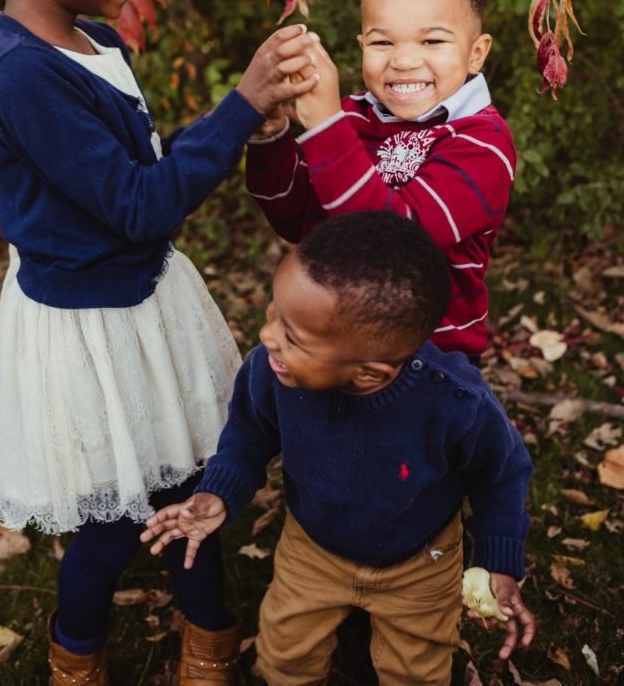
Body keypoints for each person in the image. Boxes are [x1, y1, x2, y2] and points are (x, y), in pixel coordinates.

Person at [0, 0, 321, 686]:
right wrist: (236, 110)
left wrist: (251, 123)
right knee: (113, 524)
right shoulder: (19, 72)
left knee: (192, 488)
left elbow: (138, 181)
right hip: (88, 333)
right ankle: (76, 656)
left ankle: (210, 644)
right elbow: (138, 202)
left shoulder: (98, 40)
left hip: (144, 305)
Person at [141, 210, 535, 686]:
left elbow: (501, 472)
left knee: (416, 670)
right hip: (313, 547)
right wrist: (219, 492)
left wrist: (498, 557)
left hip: (421, 559)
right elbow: (248, 434)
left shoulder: (453, 401)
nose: (267, 337)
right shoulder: (271, 372)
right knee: (285, 653)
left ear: (370, 373)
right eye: (273, 314)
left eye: (292, 335)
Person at [245, 0, 516, 360]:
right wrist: (271, 137)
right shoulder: (352, 116)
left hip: (427, 359)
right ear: (361, 45)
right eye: (383, 42)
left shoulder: (482, 144)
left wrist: (324, 127)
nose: (404, 60)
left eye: (432, 41)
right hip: (330, 346)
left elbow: (396, 245)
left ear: (475, 52)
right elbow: (297, 220)